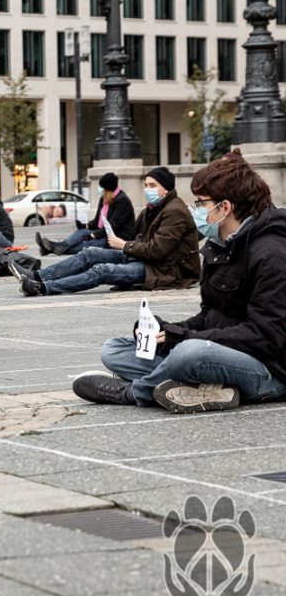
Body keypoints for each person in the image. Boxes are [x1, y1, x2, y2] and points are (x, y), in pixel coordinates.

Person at [73, 152, 286, 412]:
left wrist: (185, 338)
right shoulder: (220, 245)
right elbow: (210, 315)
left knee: (191, 353)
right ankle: (201, 386)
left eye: (201, 203)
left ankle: (136, 391)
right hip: (224, 351)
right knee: (114, 350)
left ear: (225, 207)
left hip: (269, 370)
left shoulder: (271, 253)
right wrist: (167, 332)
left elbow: (266, 336)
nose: (196, 210)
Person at [11, 167, 201, 296]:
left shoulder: (175, 211)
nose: (147, 190)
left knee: (102, 270)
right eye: (146, 186)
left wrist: (124, 245)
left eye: (152, 186)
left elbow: (157, 250)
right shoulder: (152, 209)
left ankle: (41, 287)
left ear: (166, 189)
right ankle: (37, 275)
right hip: (144, 258)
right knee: (90, 253)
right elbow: (141, 238)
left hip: (165, 270)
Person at [37, 172, 136, 256]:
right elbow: (97, 221)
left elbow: (113, 226)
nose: (100, 189)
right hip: (103, 232)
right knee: (81, 231)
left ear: (108, 188)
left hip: (117, 236)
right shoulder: (104, 198)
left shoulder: (122, 201)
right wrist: (85, 225)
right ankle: (58, 246)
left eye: (102, 187)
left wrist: (93, 235)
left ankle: (52, 248)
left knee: (87, 245)